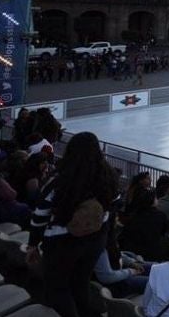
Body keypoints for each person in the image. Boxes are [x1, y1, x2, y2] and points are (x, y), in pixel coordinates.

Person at [27, 131, 118, 317]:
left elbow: (40, 215)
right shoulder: (108, 177)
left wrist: (33, 244)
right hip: (96, 240)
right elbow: (113, 208)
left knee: (58, 287)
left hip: (62, 243)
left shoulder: (61, 180)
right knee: (80, 281)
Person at [119, 188, 169, 262]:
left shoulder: (134, 214)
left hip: (131, 251)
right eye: (155, 198)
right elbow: (164, 231)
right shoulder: (161, 215)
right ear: (152, 201)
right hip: (151, 253)